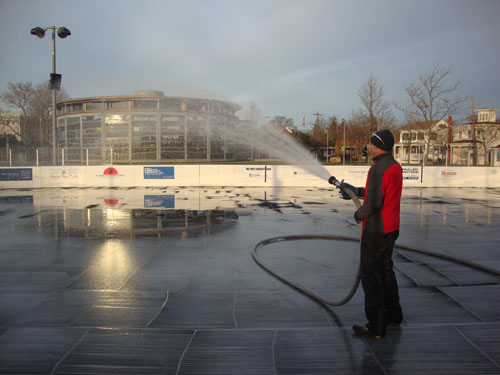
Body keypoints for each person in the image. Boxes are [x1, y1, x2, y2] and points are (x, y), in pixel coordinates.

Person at [341, 129, 403, 339]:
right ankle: (394, 315)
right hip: (391, 227)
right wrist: (356, 191)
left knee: (371, 274)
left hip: (376, 228)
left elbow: (375, 202)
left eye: (372, 144)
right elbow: (381, 192)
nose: (370, 147)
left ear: (379, 145)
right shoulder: (394, 166)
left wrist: (359, 214)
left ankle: (376, 326)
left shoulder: (377, 169)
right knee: (386, 270)